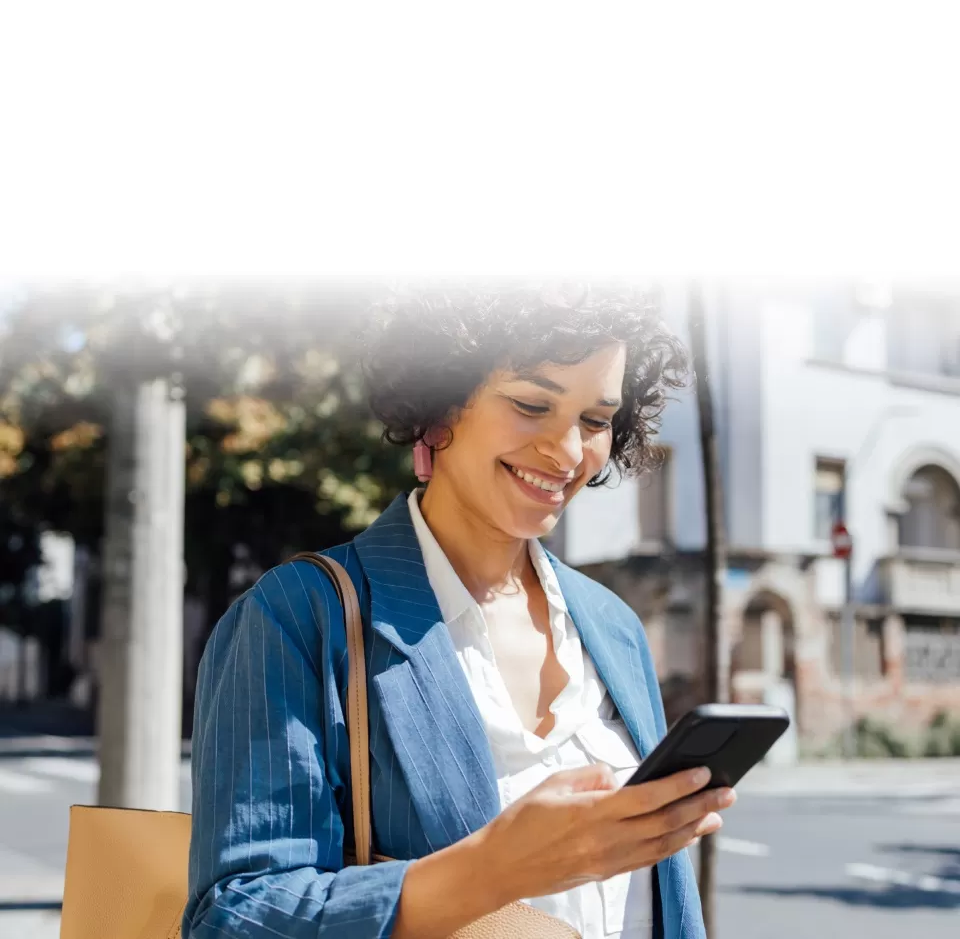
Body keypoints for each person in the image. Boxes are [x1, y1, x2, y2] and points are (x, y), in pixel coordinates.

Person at [183, 283, 735, 939]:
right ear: (443, 403)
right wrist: (494, 869)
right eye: (533, 404)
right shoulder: (295, 618)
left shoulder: (611, 624)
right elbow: (235, 917)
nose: (567, 452)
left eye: (595, 420)